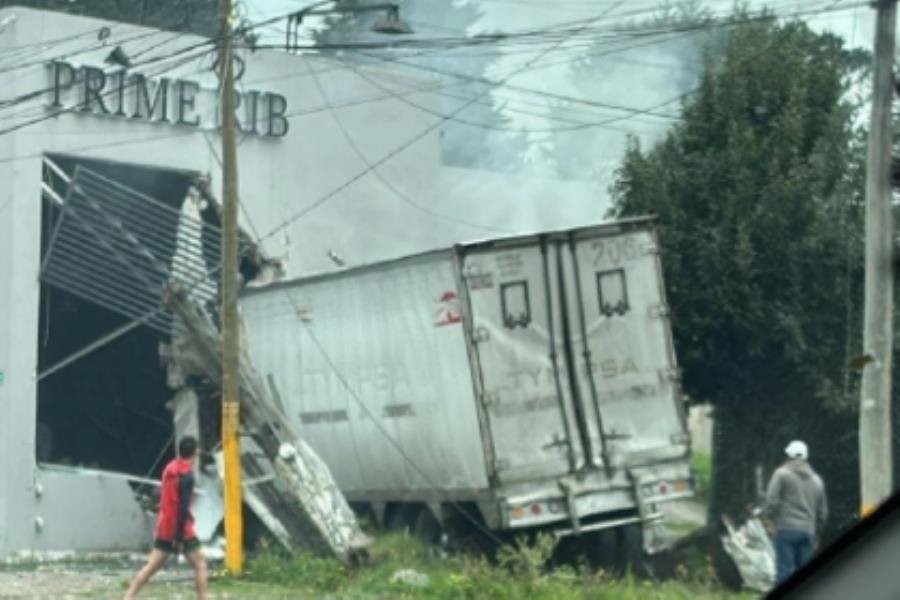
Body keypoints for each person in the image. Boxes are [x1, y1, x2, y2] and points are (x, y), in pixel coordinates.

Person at [124, 436, 208, 600]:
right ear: (194, 452)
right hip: (181, 529)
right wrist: (178, 537)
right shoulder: (187, 476)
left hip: (164, 526)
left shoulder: (169, 469)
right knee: (200, 565)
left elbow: (165, 496)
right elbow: (182, 507)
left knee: (150, 567)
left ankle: (128, 597)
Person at [763, 439, 828, 585]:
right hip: (808, 532)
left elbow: (771, 501)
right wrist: (816, 534)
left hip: (786, 529)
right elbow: (822, 513)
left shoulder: (781, 474)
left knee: (783, 572)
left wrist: (769, 521)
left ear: (788, 455)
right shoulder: (817, 480)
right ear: (806, 457)